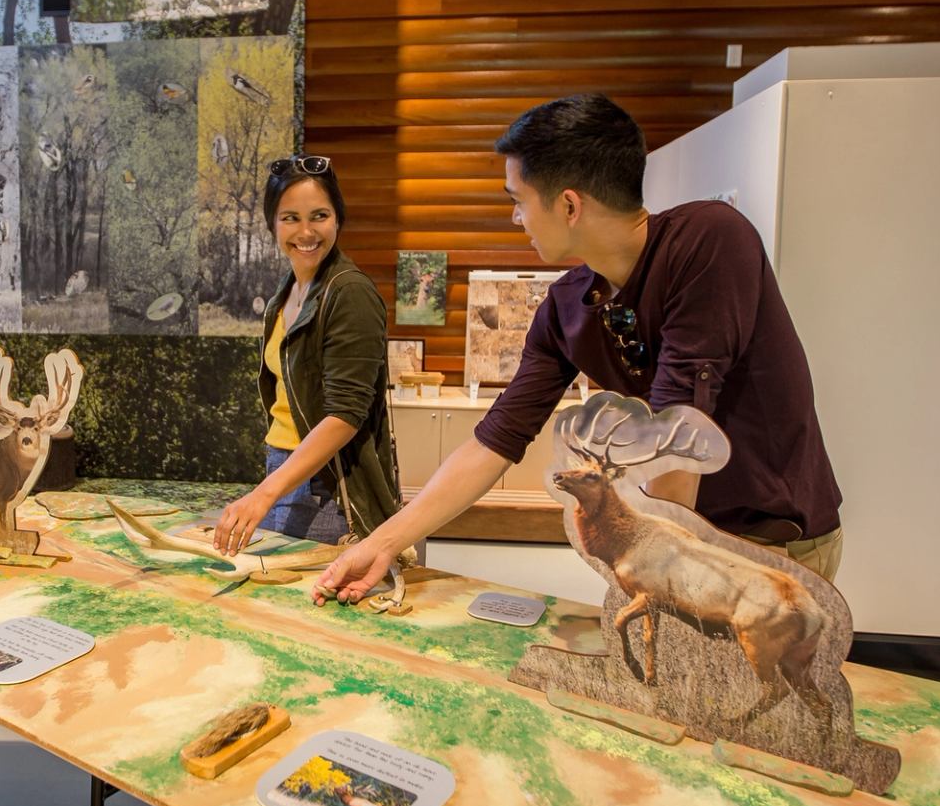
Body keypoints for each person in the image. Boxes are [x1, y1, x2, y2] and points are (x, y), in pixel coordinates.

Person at [314, 93, 843, 604]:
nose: (515, 219)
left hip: (764, 546)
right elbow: (494, 441)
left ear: (568, 204)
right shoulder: (567, 304)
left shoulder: (709, 240)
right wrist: (381, 543)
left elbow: (677, 433)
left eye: (518, 201)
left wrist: (659, 576)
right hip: (670, 545)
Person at [213, 155, 400, 555]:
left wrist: (265, 493)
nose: (306, 232)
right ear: (272, 224)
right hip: (283, 469)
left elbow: (345, 414)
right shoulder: (289, 291)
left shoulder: (349, 292)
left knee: (309, 609)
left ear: (338, 219)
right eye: (290, 218)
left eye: (319, 215)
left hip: (328, 488)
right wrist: (271, 483)